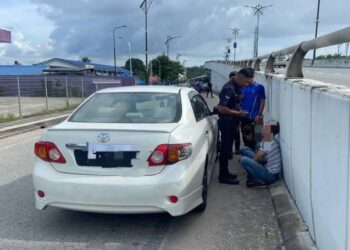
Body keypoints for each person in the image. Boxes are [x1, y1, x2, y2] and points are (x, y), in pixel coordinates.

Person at [217, 68, 254, 185]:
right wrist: (238, 113)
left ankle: (226, 172)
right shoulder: (229, 88)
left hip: (233, 122)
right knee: (225, 149)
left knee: (228, 148)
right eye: (246, 82)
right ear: (241, 78)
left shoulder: (237, 86)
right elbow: (221, 107)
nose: (247, 85)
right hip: (227, 122)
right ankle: (223, 176)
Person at [239, 123, 281, 188]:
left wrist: (251, 165)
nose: (263, 129)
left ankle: (255, 180)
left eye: (265, 129)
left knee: (243, 160)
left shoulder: (268, 140)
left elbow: (257, 157)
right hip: (266, 166)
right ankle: (254, 178)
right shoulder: (268, 138)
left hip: (271, 175)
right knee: (244, 149)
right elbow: (260, 155)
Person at [240, 68, 266, 150]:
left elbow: (262, 100)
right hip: (244, 118)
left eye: (244, 78)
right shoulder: (241, 87)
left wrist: (260, 114)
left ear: (249, 77)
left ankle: (258, 156)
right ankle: (249, 156)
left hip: (256, 118)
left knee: (258, 138)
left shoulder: (259, 87)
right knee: (246, 138)